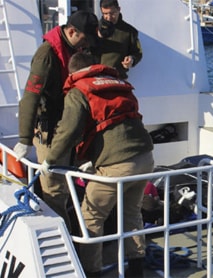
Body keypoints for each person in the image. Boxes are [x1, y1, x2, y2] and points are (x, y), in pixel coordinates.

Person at [41, 52, 154, 277]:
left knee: (91, 216)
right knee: (131, 213)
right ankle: (136, 268)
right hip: (145, 157)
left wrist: (49, 160)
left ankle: (91, 272)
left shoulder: (79, 90)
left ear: (73, 72)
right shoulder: (119, 83)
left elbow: (68, 131)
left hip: (117, 164)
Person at [14, 10, 99, 230]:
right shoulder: (47, 55)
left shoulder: (74, 49)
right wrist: (24, 139)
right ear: (72, 32)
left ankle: (77, 234)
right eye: (84, 39)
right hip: (51, 133)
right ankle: (64, 240)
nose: (85, 46)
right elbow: (31, 96)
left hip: (72, 129)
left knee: (70, 187)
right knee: (54, 191)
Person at [95, 0, 142, 79]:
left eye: (112, 13)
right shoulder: (94, 28)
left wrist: (131, 60)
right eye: (105, 14)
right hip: (95, 77)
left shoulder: (130, 31)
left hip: (118, 78)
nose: (109, 17)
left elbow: (138, 52)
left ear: (119, 9)